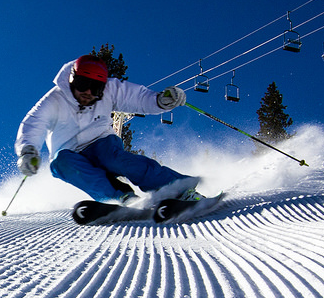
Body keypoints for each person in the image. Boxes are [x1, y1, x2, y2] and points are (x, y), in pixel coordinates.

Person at [15, 54, 198, 204]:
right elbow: (34, 123)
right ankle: (120, 198)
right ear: (72, 80)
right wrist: (28, 150)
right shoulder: (54, 100)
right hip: (69, 151)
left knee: (113, 159)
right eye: (82, 84)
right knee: (60, 164)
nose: (88, 92)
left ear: (102, 88)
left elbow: (138, 98)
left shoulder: (110, 90)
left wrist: (160, 101)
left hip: (101, 141)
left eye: (95, 88)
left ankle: (177, 188)